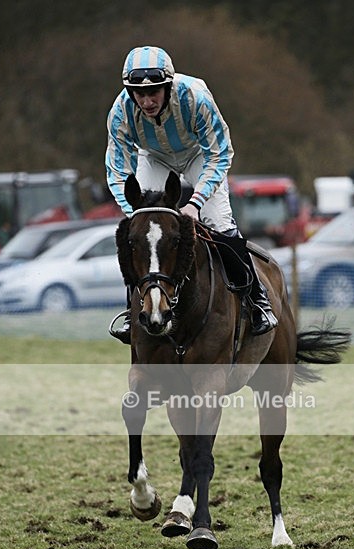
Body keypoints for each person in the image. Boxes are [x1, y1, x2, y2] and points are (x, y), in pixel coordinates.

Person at [105, 45, 278, 344]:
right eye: (139, 94)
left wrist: (196, 203)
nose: (146, 101)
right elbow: (118, 171)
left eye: (154, 93)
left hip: (200, 154)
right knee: (142, 235)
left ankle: (257, 300)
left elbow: (220, 154)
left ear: (168, 86)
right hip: (154, 157)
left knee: (220, 223)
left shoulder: (194, 97)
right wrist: (135, 213)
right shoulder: (120, 112)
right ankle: (131, 311)